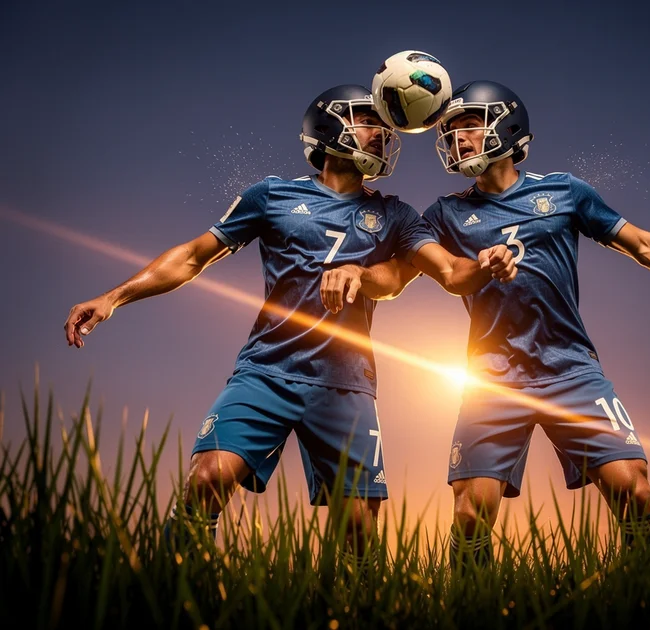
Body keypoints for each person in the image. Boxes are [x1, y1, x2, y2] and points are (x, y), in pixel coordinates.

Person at [62, 84, 517, 570]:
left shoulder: (395, 214)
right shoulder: (272, 196)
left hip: (345, 386)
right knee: (207, 478)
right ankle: (168, 592)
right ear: (328, 126)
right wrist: (114, 297)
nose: (381, 133)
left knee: (359, 528)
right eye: (368, 120)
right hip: (266, 372)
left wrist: (481, 264)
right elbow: (194, 256)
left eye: (384, 126)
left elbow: (442, 274)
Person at [323, 80, 650, 571]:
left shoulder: (564, 191)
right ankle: (470, 605)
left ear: (507, 126)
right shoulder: (445, 213)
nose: (458, 138)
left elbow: (643, 245)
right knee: (472, 512)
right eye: (451, 130)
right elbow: (401, 276)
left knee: (633, 489)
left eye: (469, 124)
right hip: (491, 378)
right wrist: (360, 274)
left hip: (570, 369)